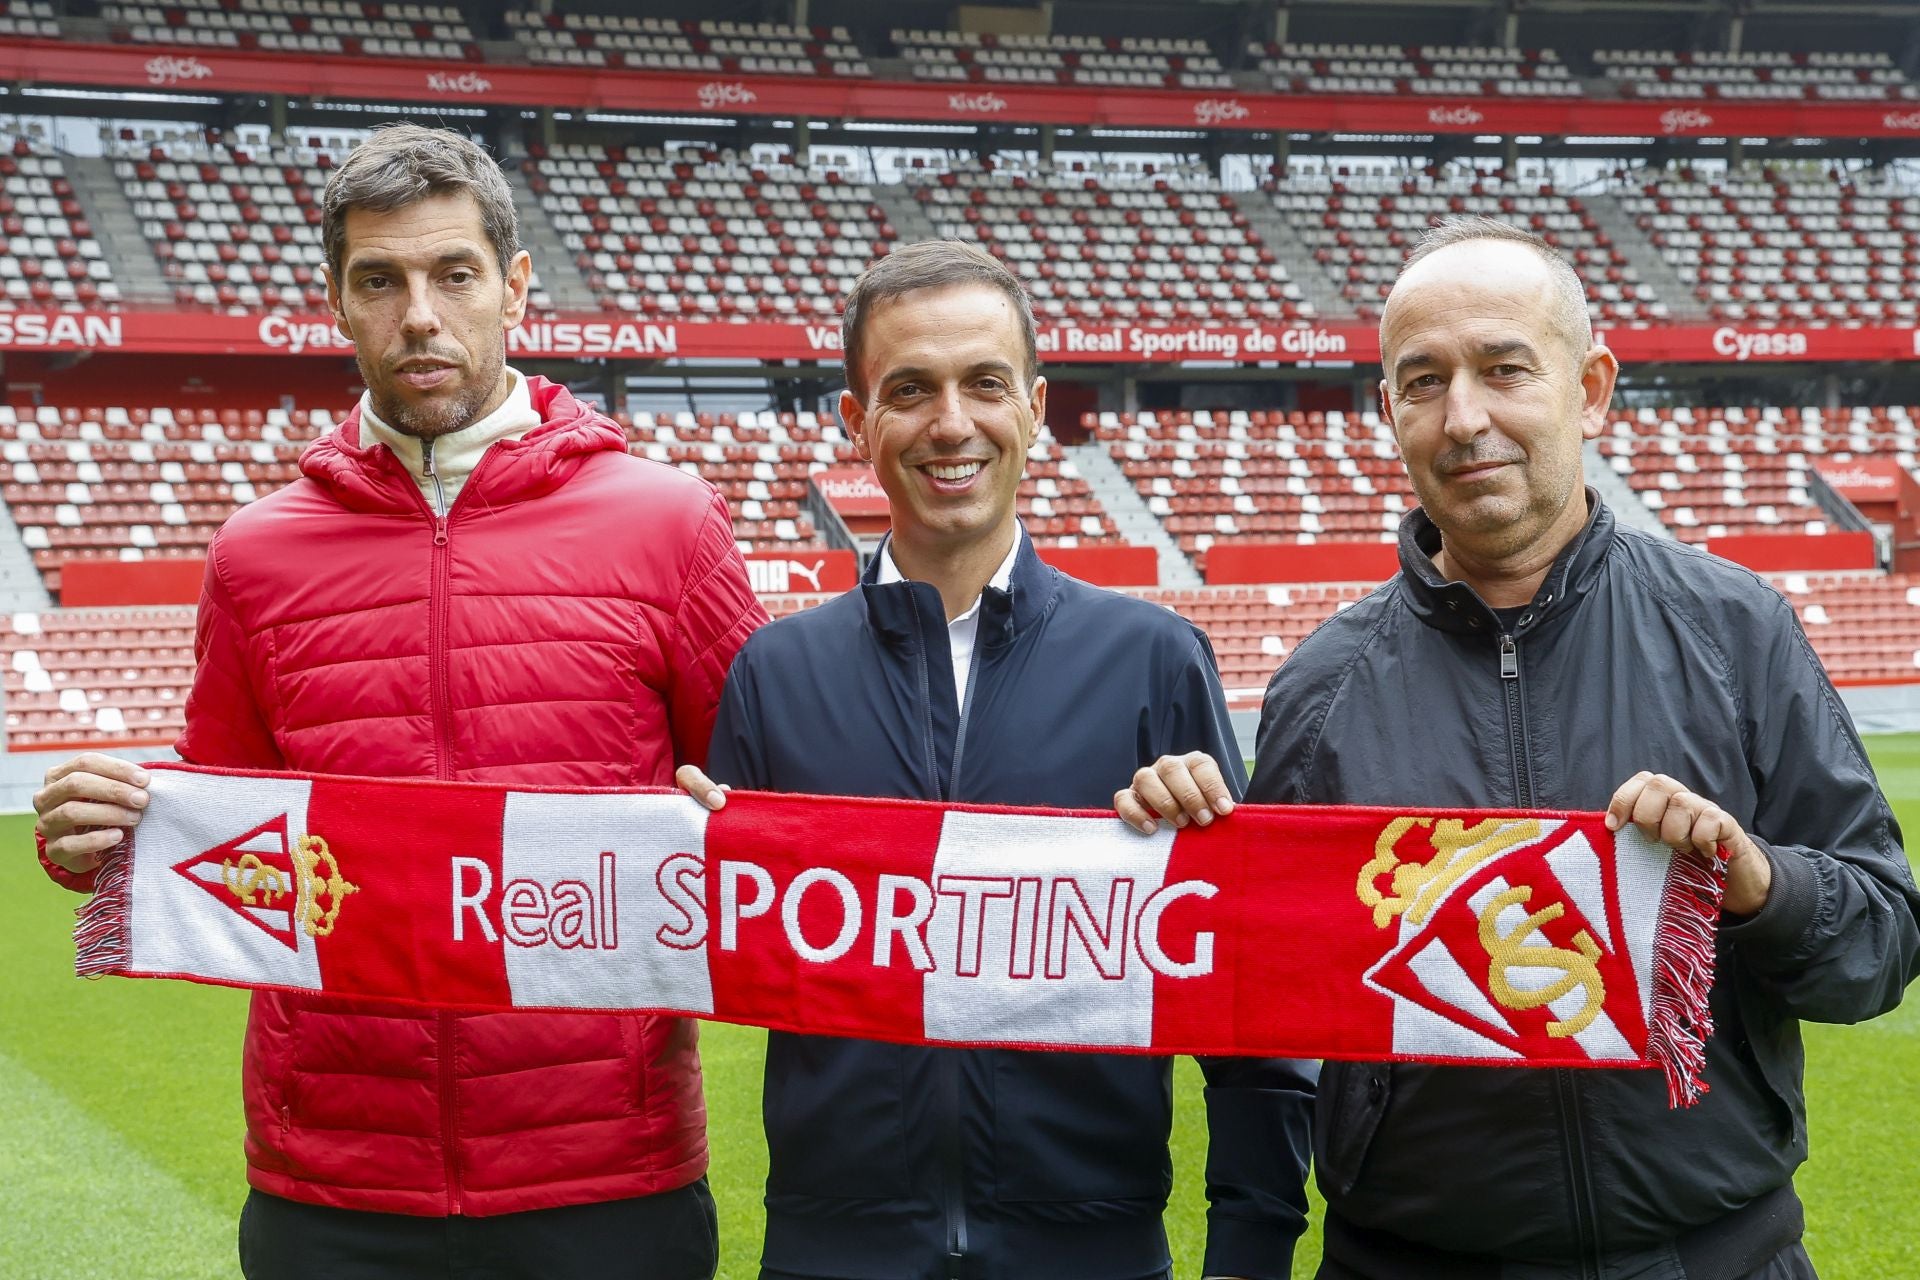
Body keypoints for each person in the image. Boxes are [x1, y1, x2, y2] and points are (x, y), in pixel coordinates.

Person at [1120, 215, 1920, 1279]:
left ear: (1589, 389)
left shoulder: (1737, 630)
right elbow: (1262, 1000)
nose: (1465, 418)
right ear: (1388, 412)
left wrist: (1759, 883)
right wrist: (1175, 860)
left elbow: (1881, 943)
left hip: (1715, 1256)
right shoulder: (1319, 684)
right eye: (1424, 380)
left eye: (1505, 369)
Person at [32, 123, 765, 1280]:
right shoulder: (255, 554)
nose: (419, 313)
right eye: (380, 280)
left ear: (515, 289)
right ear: (337, 302)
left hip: (605, 1168)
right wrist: (107, 839)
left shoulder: (668, 522)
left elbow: (779, 804)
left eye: (452, 274)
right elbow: (220, 817)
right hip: (334, 1175)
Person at [675, 239, 1315, 1280]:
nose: (951, 422)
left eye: (984, 383)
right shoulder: (774, 671)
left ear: (1034, 407)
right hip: (831, 1250)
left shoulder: (1153, 657)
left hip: (1095, 1250)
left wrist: (1248, 1243)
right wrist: (683, 857)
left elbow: (1247, 986)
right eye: (910, 389)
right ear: (857, 421)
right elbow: (723, 966)